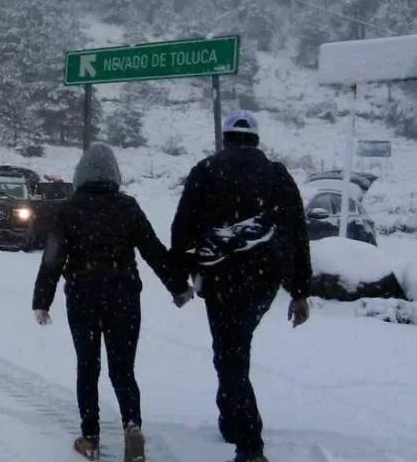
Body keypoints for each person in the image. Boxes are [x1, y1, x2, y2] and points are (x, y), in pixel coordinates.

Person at [33, 142, 193, 462]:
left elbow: (52, 260)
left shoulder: (68, 209)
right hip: (124, 298)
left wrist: (42, 300)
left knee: (88, 367)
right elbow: (154, 251)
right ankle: (132, 427)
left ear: (80, 175)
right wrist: (178, 286)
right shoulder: (128, 207)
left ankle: (90, 438)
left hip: (83, 298)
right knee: (123, 369)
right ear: (114, 175)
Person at [169, 110, 312, 462]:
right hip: (264, 281)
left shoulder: (205, 171)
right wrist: (299, 290)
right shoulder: (277, 175)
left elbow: (181, 228)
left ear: (226, 138)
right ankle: (231, 418)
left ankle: (249, 443)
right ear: (256, 140)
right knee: (233, 348)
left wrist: (180, 276)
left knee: (231, 353)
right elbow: (297, 233)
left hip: (220, 280)